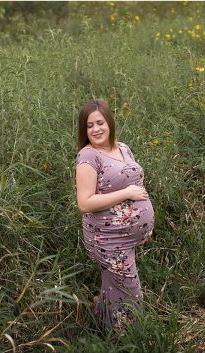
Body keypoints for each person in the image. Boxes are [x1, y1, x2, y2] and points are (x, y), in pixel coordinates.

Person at [74, 99, 154, 332]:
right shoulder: (88, 157)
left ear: (109, 122)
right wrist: (127, 193)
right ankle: (129, 341)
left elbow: (135, 179)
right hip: (107, 240)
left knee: (114, 289)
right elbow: (84, 202)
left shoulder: (123, 148)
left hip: (125, 239)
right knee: (130, 293)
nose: (96, 129)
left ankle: (101, 331)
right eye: (90, 126)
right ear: (84, 130)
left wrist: (140, 228)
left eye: (100, 122)